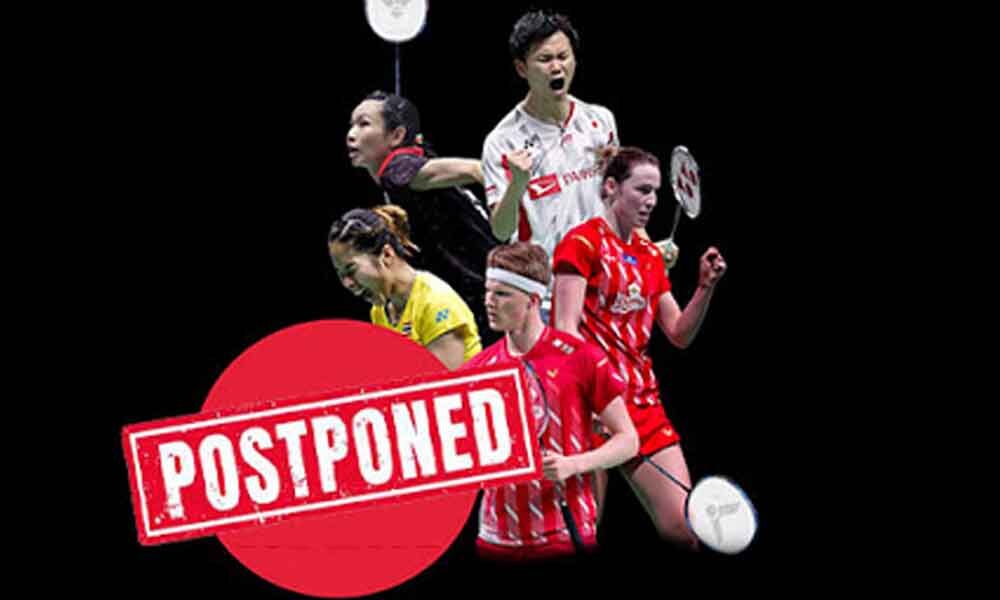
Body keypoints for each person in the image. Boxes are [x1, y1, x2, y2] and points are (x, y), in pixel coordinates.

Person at [551, 147, 727, 549]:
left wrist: (704, 287)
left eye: (656, 193)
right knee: (581, 534)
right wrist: (588, 401)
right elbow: (564, 331)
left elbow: (678, 333)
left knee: (684, 530)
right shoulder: (581, 244)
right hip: (590, 406)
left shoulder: (649, 256)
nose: (651, 201)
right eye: (642, 190)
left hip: (642, 404)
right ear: (611, 188)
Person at [463, 241, 638, 560]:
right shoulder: (477, 369)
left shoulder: (582, 358)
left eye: (502, 294)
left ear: (533, 300)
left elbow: (628, 440)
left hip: (562, 534)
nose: (489, 302)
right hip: (493, 539)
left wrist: (574, 464)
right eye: (488, 291)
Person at [347, 90, 500, 343]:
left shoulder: (396, 170)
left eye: (364, 124)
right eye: (352, 125)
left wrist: (495, 182)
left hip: (483, 293)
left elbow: (474, 169)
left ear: (396, 136)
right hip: (492, 283)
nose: (351, 134)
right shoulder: (413, 159)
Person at [328, 205, 481, 369]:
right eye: (341, 274)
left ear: (387, 255)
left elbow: (447, 383)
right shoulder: (380, 311)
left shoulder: (435, 303)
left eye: (351, 270)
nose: (347, 283)